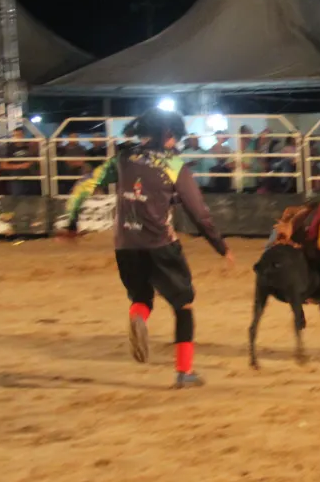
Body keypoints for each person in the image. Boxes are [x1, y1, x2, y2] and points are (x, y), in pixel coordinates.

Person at [59, 107, 235, 389]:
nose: (176, 143)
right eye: (175, 137)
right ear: (167, 133)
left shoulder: (122, 158)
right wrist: (220, 246)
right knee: (183, 304)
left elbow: (84, 186)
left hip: (125, 244)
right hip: (161, 244)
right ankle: (184, 371)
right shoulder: (174, 165)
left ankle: (138, 317)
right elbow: (199, 213)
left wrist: (71, 223)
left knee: (141, 297)